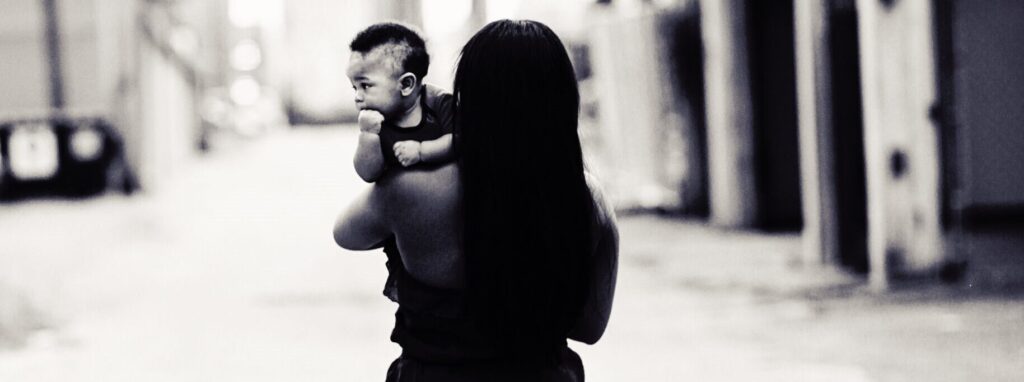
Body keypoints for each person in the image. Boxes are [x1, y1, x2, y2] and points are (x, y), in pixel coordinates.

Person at [334, 19, 619, 381]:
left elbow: (346, 234)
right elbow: (589, 327)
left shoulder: (409, 188)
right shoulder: (587, 199)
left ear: (466, 97)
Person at [346, 22, 455, 183]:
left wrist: (421, 151)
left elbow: (459, 141)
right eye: (354, 87)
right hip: (401, 196)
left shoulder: (439, 102)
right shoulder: (375, 123)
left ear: (406, 84)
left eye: (365, 86)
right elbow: (369, 174)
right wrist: (368, 135)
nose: (357, 96)